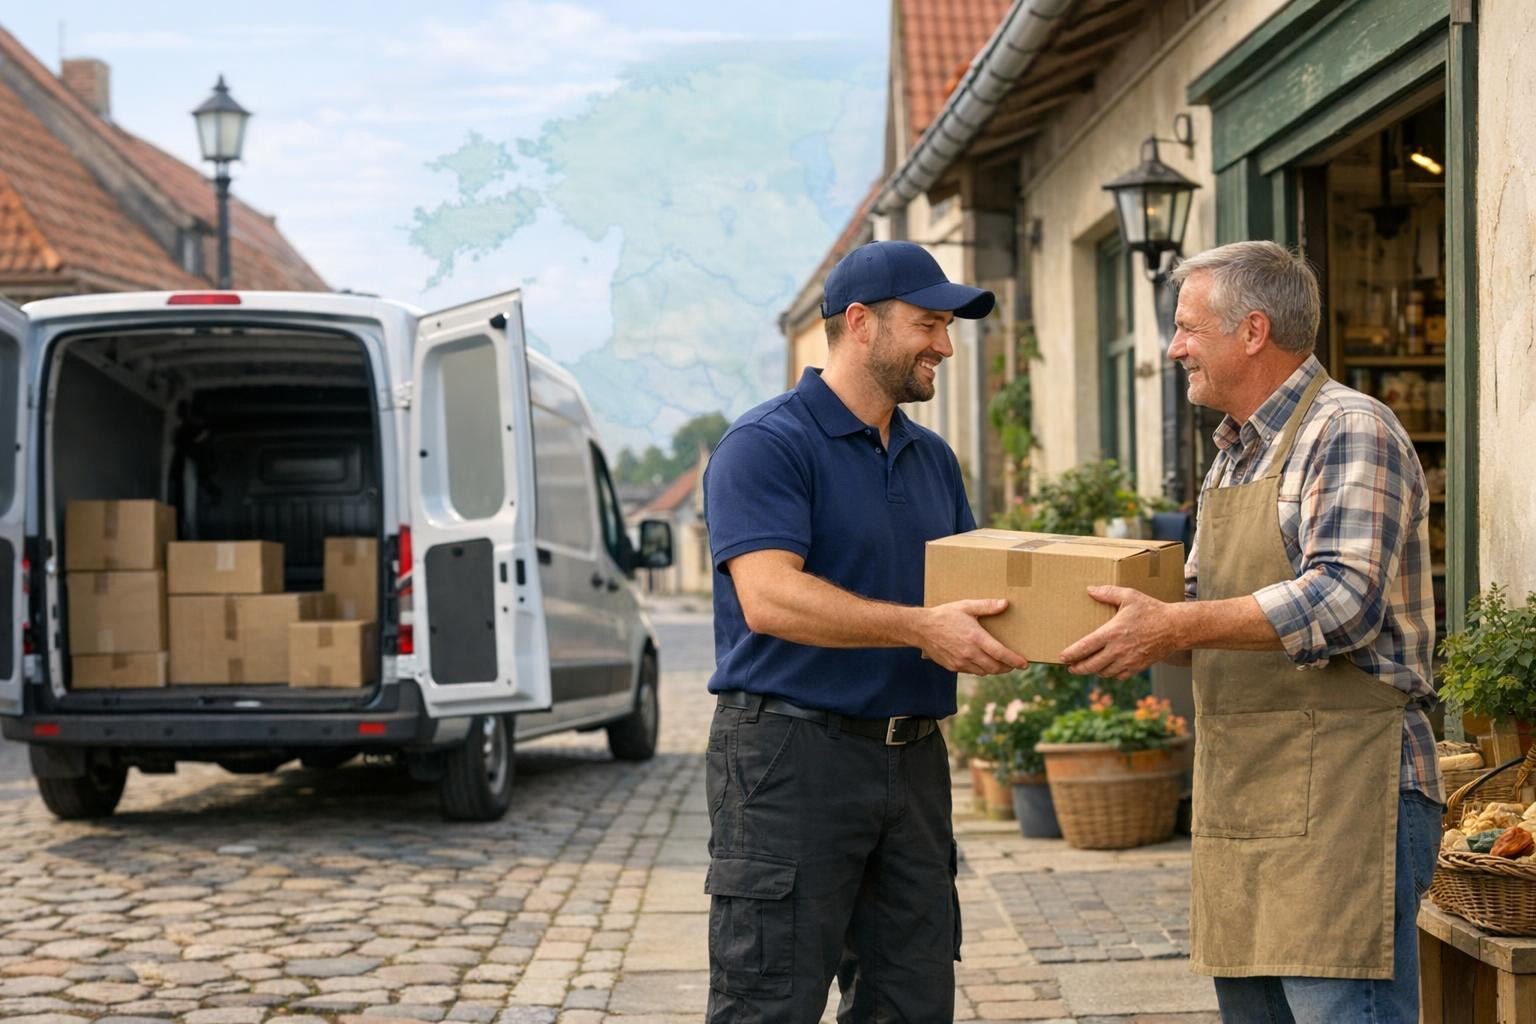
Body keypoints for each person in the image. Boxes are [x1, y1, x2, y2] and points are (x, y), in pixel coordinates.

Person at [1060, 240, 1443, 1023]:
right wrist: (1076, 625)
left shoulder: (1349, 429)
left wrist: (1172, 624)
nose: (1174, 348)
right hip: (1247, 792)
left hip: (1349, 794)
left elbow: (1344, 599)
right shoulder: (1233, 456)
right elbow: (1199, 599)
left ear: (1254, 331)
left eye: (1187, 327)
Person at [701, 240, 1029, 1022]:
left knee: (911, 1001)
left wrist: (1084, 620)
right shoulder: (765, 445)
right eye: (928, 324)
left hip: (913, 762)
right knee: (769, 1002)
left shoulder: (931, 459)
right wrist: (922, 629)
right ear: (860, 323)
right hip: (789, 761)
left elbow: (972, 592)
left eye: (948, 327)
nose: (945, 345)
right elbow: (769, 598)